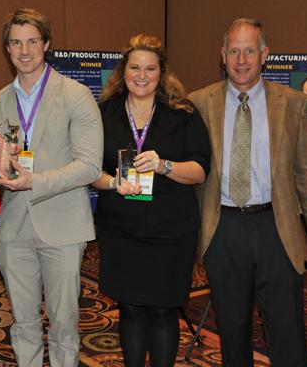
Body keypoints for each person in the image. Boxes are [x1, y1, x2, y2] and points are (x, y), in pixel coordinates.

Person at [189, 18, 307, 366]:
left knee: (286, 326)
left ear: (264, 54)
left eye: (249, 50)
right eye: (234, 51)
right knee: (232, 326)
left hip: (276, 227)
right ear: (222, 55)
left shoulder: (294, 103)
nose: (241, 59)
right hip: (224, 229)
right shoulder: (198, 103)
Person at [0, 8, 103, 367]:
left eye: (32, 41)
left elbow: (89, 166)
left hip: (64, 227)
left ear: (46, 44)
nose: (24, 50)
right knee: (23, 321)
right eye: (16, 42)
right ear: (7, 48)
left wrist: (34, 181)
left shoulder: (76, 95)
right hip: (14, 228)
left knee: (64, 322)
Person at [91, 34, 210, 367]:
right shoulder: (104, 113)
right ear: (123, 70)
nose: (141, 76)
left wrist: (164, 165)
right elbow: (88, 168)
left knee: (161, 310)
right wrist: (113, 182)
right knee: (129, 308)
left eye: (150, 68)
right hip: (121, 230)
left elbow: (200, 170)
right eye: (134, 67)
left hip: (170, 232)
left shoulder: (183, 113)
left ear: (162, 73)